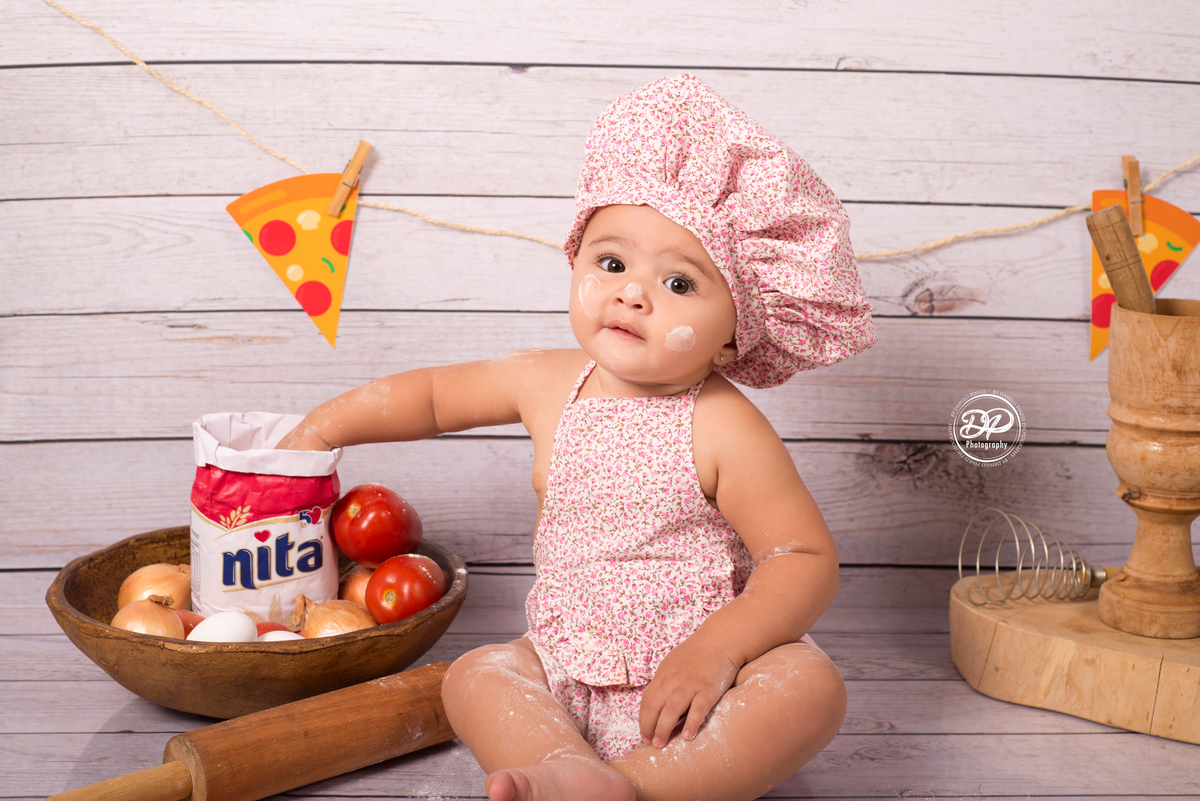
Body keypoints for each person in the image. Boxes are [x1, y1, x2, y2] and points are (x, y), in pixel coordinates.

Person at [279, 74, 876, 801]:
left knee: (809, 688)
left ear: (735, 334)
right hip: (565, 661)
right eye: (613, 262)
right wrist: (318, 429)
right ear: (577, 256)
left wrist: (715, 653)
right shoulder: (545, 381)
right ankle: (563, 763)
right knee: (477, 676)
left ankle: (634, 784)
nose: (631, 292)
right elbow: (432, 397)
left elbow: (802, 557)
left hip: (696, 689)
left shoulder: (723, 423)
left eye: (680, 283)